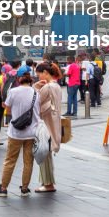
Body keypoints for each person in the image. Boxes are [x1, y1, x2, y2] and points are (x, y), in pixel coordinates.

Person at [0, 72, 40, 197]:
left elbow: (8, 109)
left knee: (10, 160)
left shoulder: (13, 91)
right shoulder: (36, 93)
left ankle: (3, 188)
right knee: (28, 161)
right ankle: (25, 188)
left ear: (19, 79)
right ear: (30, 80)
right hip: (31, 132)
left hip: (16, 132)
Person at [34, 62, 63, 193]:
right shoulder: (56, 86)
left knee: (44, 153)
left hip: (46, 124)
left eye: (39, 74)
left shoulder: (47, 87)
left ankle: (48, 184)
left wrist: (35, 87)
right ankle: (47, 182)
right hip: (54, 123)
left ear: (45, 72)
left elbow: (34, 101)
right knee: (47, 154)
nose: (38, 77)